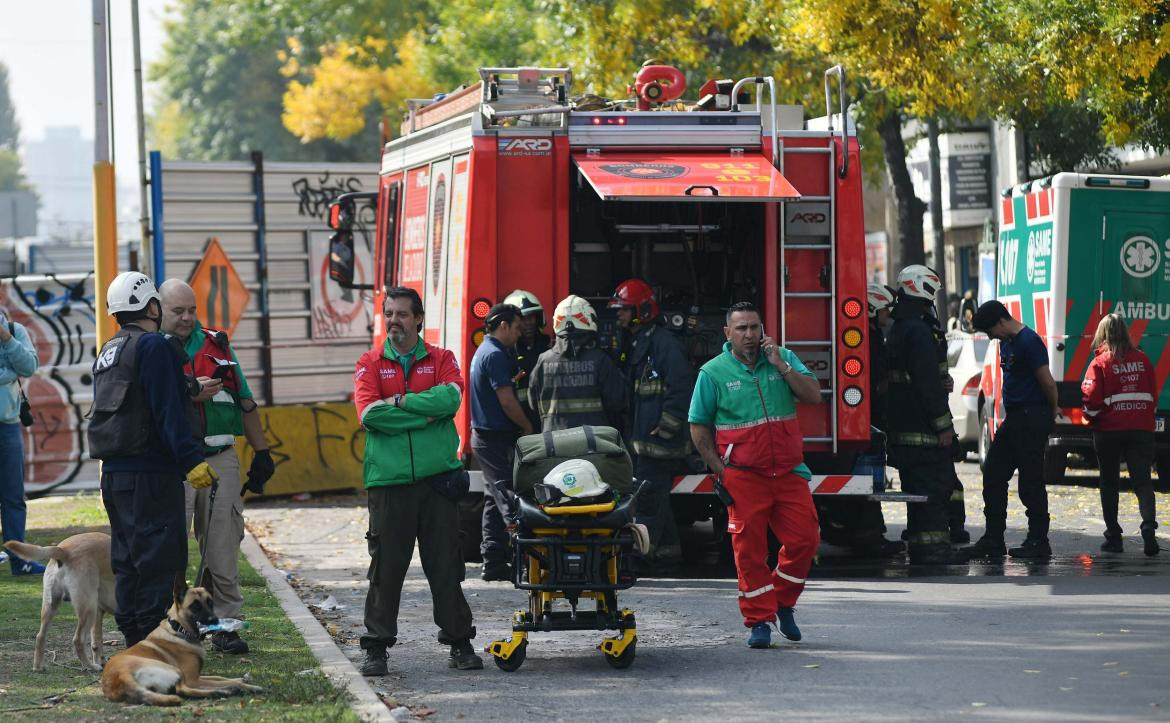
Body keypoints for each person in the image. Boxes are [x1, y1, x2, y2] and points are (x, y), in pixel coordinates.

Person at [353, 286, 480, 675]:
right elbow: (369, 415)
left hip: (438, 482)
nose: (394, 321)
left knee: (445, 566)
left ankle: (460, 643)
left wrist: (402, 402)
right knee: (386, 569)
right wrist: (426, 414)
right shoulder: (370, 362)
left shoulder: (442, 358)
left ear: (419, 319)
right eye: (388, 313)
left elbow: (451, 400)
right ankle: (376, 648)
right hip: (389, 484)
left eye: (402, 314)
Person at [88, 271, 217, 647]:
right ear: (153, 306)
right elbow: (168, 411)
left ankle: (134, 639)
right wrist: (191, 459)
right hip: (151, 476)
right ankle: (153, 640)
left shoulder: (110, 350)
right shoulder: (155, 346)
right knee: (159, 559)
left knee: (128, 560)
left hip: (115, 475)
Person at [688, 302, 823, 649]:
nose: (750, 335)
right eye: (742, 329)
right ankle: (759, 621)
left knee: (805, 540)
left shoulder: (783, 358)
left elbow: (813, 395)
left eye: (754, 327)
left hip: (790, 472)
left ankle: (782, 601)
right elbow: (698, 427)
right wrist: (720, 471)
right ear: (728, 333)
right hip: (743, 476)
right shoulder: (712, 373)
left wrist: (781, 366)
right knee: (749, 552)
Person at [159, 279, 275, 654]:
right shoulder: (153, 348)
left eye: (192, 310)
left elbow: (244, 400)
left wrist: (262, 452)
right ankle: (171, 622)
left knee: (222, 546)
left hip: (220, 457)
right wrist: (188, 390)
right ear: (158, 310)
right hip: (174, 464)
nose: (187, 317)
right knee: (169, 547)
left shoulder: (217, 346)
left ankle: (225, 626)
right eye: (178, 311)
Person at [885, 266, 970, 565]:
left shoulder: (901, 327)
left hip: (906, 428)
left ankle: (924, 547)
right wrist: (943, 426)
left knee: (919, 492)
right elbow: (925, 385)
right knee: (933, 491)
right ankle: (933, 551)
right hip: (923, 431)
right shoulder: (919, 331)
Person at [609, 279, 692, 571]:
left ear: (641, 310)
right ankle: (670, 556)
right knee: (656, 500)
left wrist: (667, 426)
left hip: (660, 444)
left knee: (646, 501)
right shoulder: (635, 342)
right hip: (643, 442)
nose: (618, 315)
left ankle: (639, 559)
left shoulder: (664, 343)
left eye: (623, 309)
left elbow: (681, 386)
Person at [816, 284, 904, 557]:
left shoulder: (862, 334)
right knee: (867, 481)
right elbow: (878, 381)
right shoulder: (870, 338)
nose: (888, 315)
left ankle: (844, 529)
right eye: (885, 309)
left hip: (859, 419)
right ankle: (869, 535)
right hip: (869, 422)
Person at [967, 299, 1058, 559]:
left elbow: (1048, 384)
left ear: (1001, 321)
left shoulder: (1029, 342)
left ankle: (1039, 540)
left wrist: (1050, 414)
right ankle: (993, 538)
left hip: (1032, 416)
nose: (991, 337)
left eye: (990, 331)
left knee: (1030, 481)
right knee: (993, 473)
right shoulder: (1006, 344)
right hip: (1016, 417)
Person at [1081, 313, 1160, 556]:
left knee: (1109, 482)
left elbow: (1091, 401)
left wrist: (1088, 416)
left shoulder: (1099, 363)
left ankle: (1114, 536)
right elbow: (1152, 395)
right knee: (1143, 481)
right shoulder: (1143, 360)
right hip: (1140, 429)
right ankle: (1148, 528)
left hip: (1108, 431)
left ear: (1101, 335)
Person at [469, 302, 532, 582]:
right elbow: (507, 401)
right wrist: (527, 426)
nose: (520, 334)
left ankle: (493, 562)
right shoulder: (494, 355)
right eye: (517, 328)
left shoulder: (487, 351)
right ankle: (525, 562)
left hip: (486, 438)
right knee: (507, 500)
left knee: (492, 500)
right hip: (492, 438)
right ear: (503, 326)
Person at [528, 295, 626, 432]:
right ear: (589, 320)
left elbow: (533, 404)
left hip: (554, 445)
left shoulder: (542, 361)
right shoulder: (601, 360)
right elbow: (617, 402)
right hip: (593, 445)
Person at [0, 303, 43, 575]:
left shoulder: (16, 331)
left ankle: (20, 559)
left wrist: (6, 338)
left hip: (9, 425)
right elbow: (17, 371)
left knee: (14, 497)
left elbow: (29, 366)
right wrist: (8, 374)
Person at [503, 289, 551, 431]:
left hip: (545, 420)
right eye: (523, 319)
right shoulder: (507, 353)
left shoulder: (548, 348)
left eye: (531, 317)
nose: (528, 323)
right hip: (518, 423)